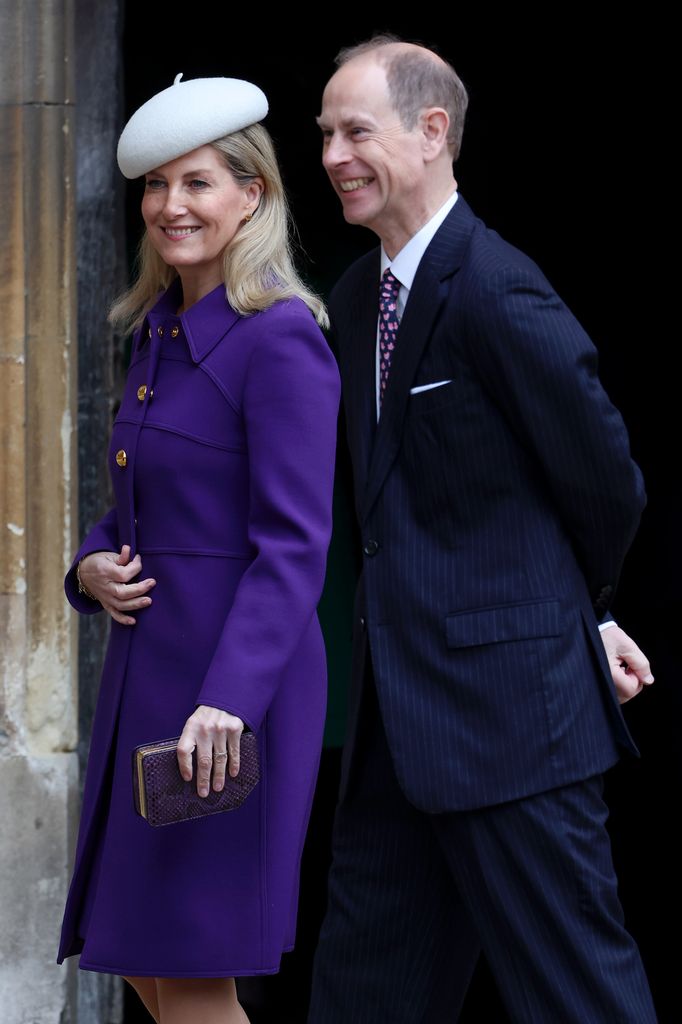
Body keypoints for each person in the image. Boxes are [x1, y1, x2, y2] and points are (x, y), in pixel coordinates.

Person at [308, 36, 657, 1023]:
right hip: (393, 736)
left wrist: (576, 615)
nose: (333, 154)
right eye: (325, 133)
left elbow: (605, 486)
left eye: (355, 130)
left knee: (576, 999)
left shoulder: (499, 288)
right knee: (359, 999)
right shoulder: (348, 301)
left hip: (514, 725)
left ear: (432, 133)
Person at [56, 74, 340, 1024]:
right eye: (156, 187)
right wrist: (88, 567)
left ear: (251, 195)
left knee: (191, 970)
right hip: (149, 679)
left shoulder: (283, 339)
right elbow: (142, 501)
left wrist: (230, 698)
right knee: (133, 949)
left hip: (230, 694)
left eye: (199, 184)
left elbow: (296, 546)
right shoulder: (157, 331)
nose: (171, 206)